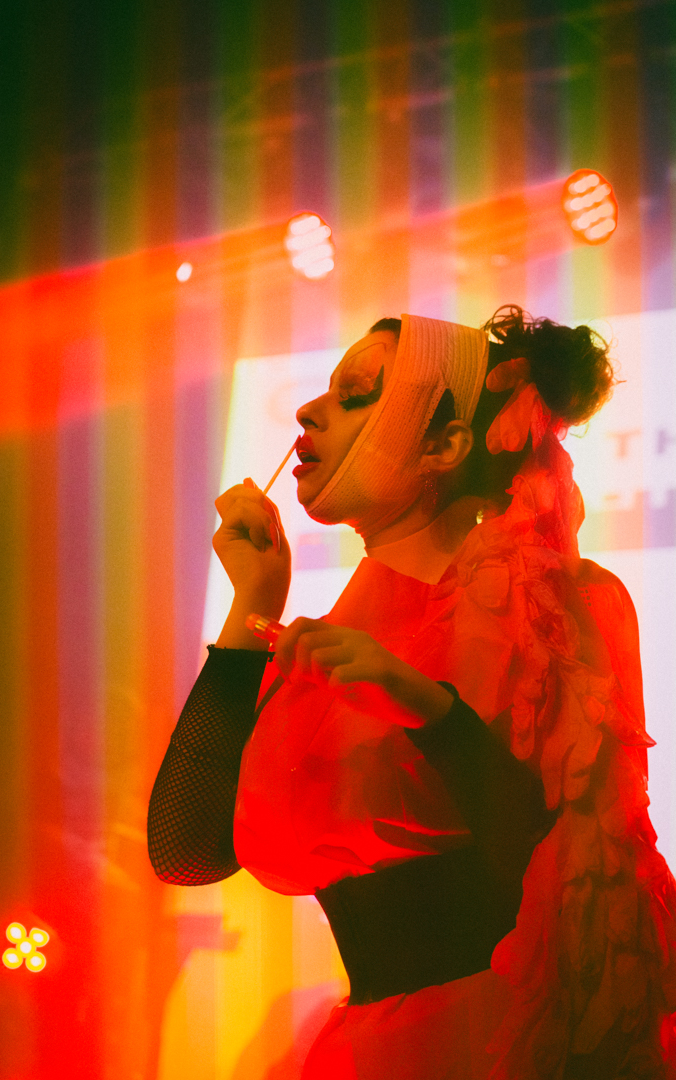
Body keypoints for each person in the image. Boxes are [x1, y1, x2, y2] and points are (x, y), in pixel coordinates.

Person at [148, 308, 676, 1079]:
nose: (306, 409)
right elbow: (186, 850)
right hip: (371, 1044)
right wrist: (250, 606)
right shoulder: (328, 642)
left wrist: (429, 710)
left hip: (497, 1036)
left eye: (358, 392)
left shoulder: (567, 601)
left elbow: (578, 871)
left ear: (444, 446)